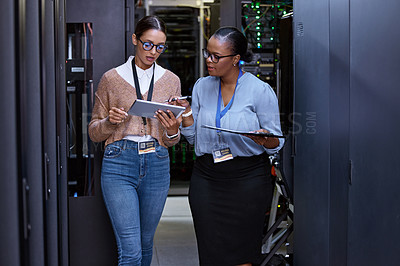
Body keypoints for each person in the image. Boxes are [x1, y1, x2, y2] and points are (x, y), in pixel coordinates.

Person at [175, 26, 284, 266]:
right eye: (208, 53)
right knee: (211, 252)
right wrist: (186, 115)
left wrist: (265, 139)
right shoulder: (202, 86)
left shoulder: (260, 91)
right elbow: (194, 138)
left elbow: (277, 143)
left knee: (243, 254)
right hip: (206, 177)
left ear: (236, 59)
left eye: (216, 56)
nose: (209, 60)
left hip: (247, 180)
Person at [88, 15, 184, 266]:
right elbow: (93, 132)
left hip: (157, 163)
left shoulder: (171, 80)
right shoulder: (112, 78)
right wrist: (110, 122)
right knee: (130, 250)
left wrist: (173, 130)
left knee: (144, 243)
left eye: (160, 46)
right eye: (148, 44)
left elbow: (173, 140)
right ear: (135, 40)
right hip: (119, 162)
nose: (154, 52)